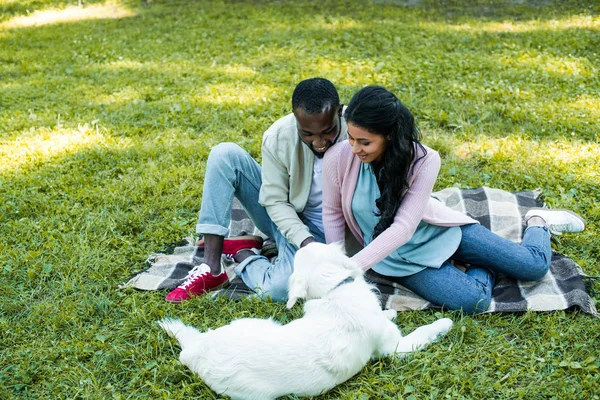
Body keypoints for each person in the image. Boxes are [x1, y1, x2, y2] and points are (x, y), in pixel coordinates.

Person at [322, 85, 586, 314]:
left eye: (364, 142)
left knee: (534, 267)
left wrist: (352, 267)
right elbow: (332, 213)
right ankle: (486, 263)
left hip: (440, 230)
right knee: (474, 300)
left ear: (389, 136)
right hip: (399, 258)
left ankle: (537, 221)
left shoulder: (425, 160)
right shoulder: (339, 157)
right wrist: (337, 263)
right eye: (351, 138)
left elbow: (403, 227)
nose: (354, 148)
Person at [166, 78, 348, 303]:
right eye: (308, 134)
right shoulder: (279, 135)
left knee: (278, 290)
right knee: (224, 154)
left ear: (339, 112)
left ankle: (244, 253)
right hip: (288, 220)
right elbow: (275, 201)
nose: (319, 142)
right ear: (295, 118)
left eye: (328, 132)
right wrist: (306, 242)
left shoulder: (360, 130)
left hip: (339, 230)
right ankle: (212, 268)